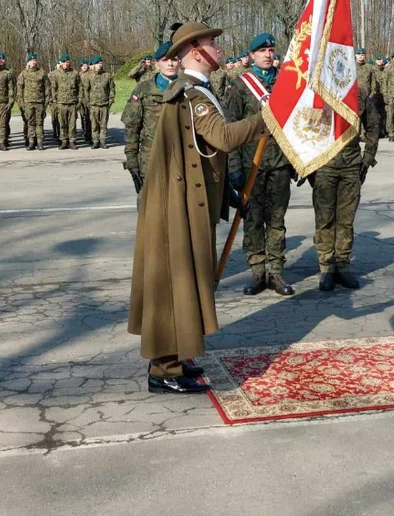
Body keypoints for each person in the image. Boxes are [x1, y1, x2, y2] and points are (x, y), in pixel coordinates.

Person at [129, 22, 268, 395]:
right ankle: (164, 370)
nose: (219, 50)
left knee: (184, 284)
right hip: (179, 207)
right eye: (212, 44)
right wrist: (266, 118)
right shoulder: (193, 95)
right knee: (174, 284)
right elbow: (221, 139)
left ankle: (175, 357)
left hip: (190, 201)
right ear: (194, 51)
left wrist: (227, 195)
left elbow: (199, 158)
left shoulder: (197, 91)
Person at [226, 33, 295, 297]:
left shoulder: (287, 84)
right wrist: (234, 168)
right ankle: (257, 271)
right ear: (251, 55)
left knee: (277, 221)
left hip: (279, 164)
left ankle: (276, 271)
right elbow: (230, 129)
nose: (268, 54)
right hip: (250, 165)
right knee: (253, 220)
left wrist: (296, 161)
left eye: (271, 50)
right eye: (262, 51)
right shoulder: (240, 87)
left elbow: (296, 124)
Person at [312, 87, 381, 291]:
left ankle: (342, 264)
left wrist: (367, 159)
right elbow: (302, 127)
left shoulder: (358, 93)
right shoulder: (317, 91)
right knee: (324, 218)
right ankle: (326, 267)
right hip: (324, 164)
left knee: (346, 219)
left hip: (351, 163)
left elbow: (373, 126)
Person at [123, 42, 181, 194]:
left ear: (180, 62)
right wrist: (132, 164)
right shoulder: (144, 89)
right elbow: (131, 128)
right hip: (151, 159)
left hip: (181, 159)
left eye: (174, 59)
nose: (170, 63)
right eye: (165, 59)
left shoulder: (188, 88)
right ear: (157, 64)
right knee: (150, 210)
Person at [49, 54, 81, 149]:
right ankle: (64, 140)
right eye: (65, 62)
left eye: (68, 62)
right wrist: (54, 102)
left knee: (72, 124)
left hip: (72, 103)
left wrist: (79, 101)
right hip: (61, 103)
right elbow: (54, 89)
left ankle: (72, 141)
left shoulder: (74, 73)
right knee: (62, 123)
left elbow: (80, 88)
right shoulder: (56, 74)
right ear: (61, 63)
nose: (67, 64)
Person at [17, 53, 49, 150]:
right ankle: (31, 141)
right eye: (31, 60)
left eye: (34, 60)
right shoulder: (23, 74)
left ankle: (39, 141)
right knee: (30, 122)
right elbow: (19, 89)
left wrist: (46, 102)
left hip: (40, 102)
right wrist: (21, 103)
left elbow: (47, 88)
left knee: (39, 122)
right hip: (28, 102)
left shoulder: (42, 73)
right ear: (28, 62)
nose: (33, 62)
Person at [87, 56, 116, 148]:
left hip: (104, 104)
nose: (100, 65)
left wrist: (110, 100)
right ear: (94, 65)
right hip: (94, 104)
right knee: (94, 124)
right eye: (98, 63)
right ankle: (95, 141)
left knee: (103, 124)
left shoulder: (107, 75)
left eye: (100, 63)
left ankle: (103, 141)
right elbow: (85, 90)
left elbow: (112, 88)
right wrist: (88, 101)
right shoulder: (90, 76)